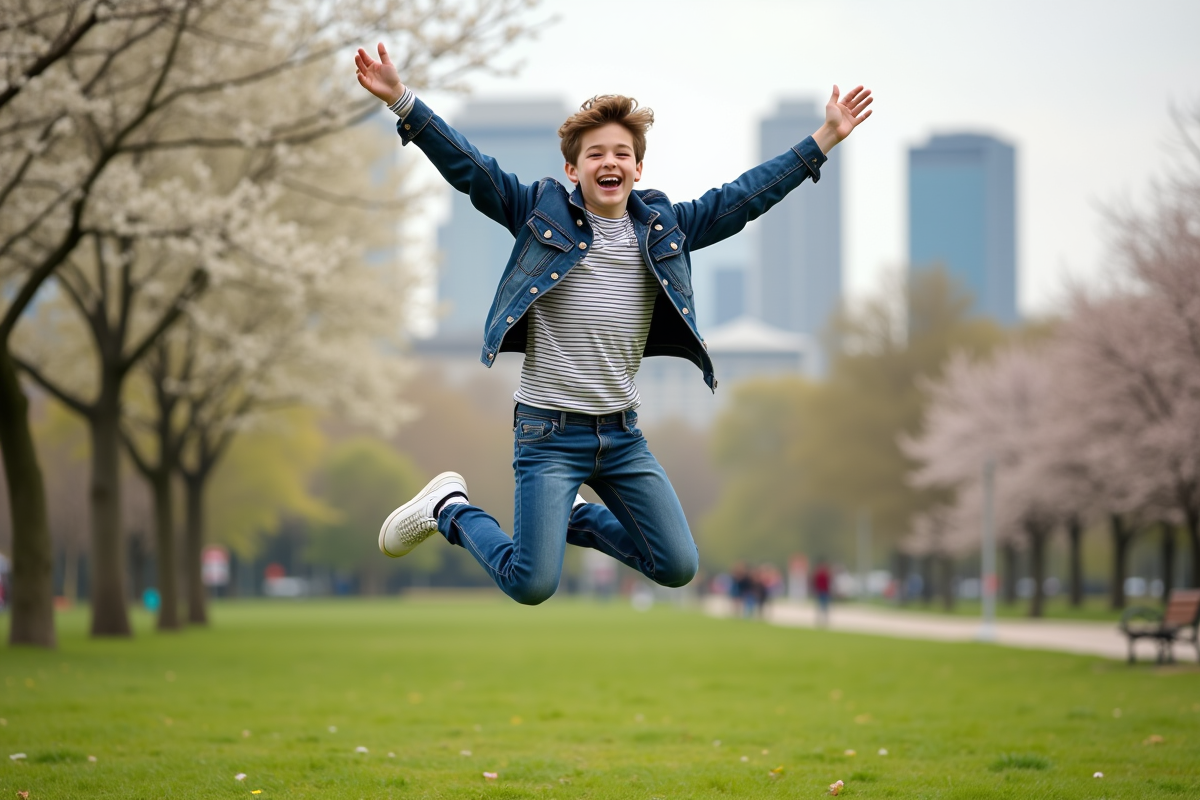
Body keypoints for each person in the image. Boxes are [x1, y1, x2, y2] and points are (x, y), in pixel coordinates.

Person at [354, 43, 873, 605]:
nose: (610, 163)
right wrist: (404, 102)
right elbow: (472, 169)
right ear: (572, 170)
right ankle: (449, 510)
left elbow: (746, 197)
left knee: (677, 565)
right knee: (531, 584)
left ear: (638, 168)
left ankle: (577, 520)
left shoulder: (666, 229)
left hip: (621, 435)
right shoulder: (537, 213)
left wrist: (823, 138)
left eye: (622, 153)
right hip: (548, 434)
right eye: (595, 154)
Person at [813, 559, 832, 626]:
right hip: (822, 591)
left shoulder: (821, 574)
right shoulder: (823, 574)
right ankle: (821, 620)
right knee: (822, 606)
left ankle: (823, 620)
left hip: (824, 591)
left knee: (823, 606)